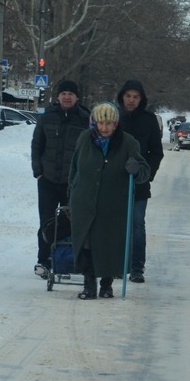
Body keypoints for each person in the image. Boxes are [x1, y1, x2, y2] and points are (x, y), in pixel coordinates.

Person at [69, 102, 150, 299]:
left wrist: (136, 168)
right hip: (84, 201)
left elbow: (144, 171)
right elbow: (74, 168)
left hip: (114, 203)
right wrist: (71, 192)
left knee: (108, 243)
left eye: (109, 123)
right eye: (100, 123)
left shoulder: (128, 142)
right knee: (86, 244)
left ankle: (106, 284)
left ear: (116, 124)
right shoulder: (84, 138)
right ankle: (89, 285)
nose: (104, 128)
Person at [30, 80, 91, 278]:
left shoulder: (84, 119)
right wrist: (38, 171)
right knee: (46, 222)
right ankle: (44, 260)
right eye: (63, 93)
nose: (67, 97)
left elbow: (89, 150)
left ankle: (65, 259)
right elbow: (36, 145)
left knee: (69, 222)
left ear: (77, 98)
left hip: (72, 182)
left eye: (71, 94)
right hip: (47, 179)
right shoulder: (47, 117)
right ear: (57, 97)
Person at [116, 80, 164, 283]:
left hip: (139, 184)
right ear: (122, 97)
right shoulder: (114, 118)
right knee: (115, 225)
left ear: (141, 99)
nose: (131, 100)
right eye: (128, 96)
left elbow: (156, 152)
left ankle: (136, 267)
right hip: (114, 182)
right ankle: (116, 264)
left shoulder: (149, 120)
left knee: (137, 225)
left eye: (136, 97)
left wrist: (146, 174)